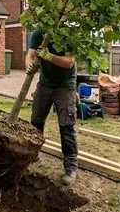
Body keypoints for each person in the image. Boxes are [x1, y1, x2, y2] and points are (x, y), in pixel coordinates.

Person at [25, 30, 79, 185]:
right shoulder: (38, 33)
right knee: (35, 121)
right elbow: (30, 55)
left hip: (65, 85)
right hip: (45, 84)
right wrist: (30, 66)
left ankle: (70, 167)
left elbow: (69, 62)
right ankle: (32, 156)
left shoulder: (68, 33)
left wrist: (49, 56)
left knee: (66, 126)